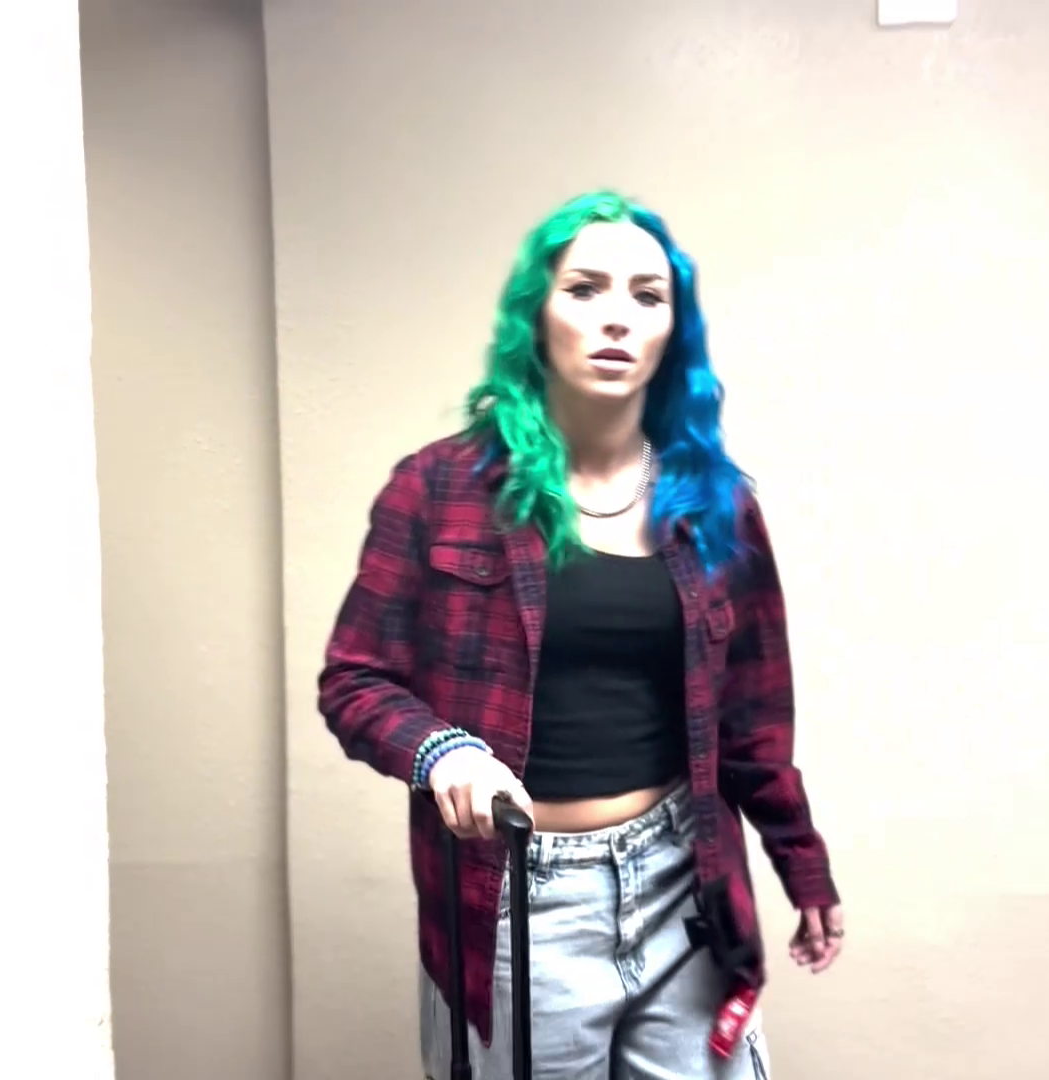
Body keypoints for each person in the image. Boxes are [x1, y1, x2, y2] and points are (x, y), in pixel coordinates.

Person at [316, 190, 842, 1079]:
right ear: (538, 315)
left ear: (673, 332)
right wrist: (444, 754)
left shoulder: (717, 505)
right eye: (586, 288)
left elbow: (754, 718)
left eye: (647, 296)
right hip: (517, 896)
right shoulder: (438, 487)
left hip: (682, 882)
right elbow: (354, 680)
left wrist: (801, 861)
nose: (617, 318)